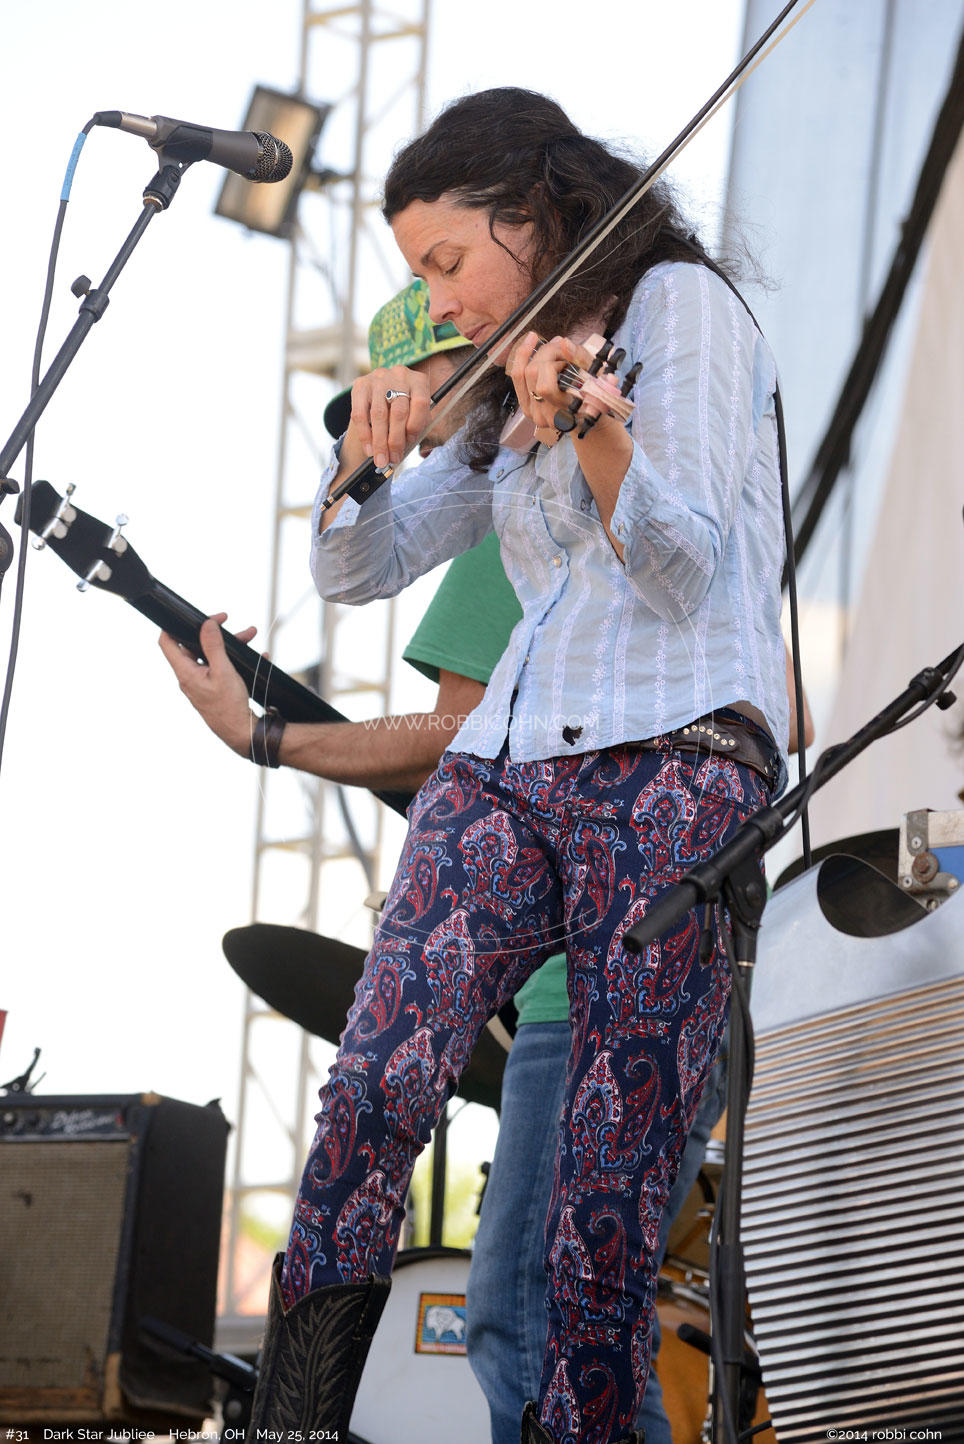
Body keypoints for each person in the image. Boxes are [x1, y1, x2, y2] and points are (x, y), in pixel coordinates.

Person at [243, 84, 791, 1444]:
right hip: (510, 765)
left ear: (533, 213)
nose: (438, 301)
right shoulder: (502, 373)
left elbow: (681, 567)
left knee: (603, 1203)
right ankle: (292, 1420)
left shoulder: (680, 310)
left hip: (674, 759)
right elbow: (359, 566)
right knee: (372, 1088)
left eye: (447, 262)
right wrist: (361, 465)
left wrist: (593, 422)